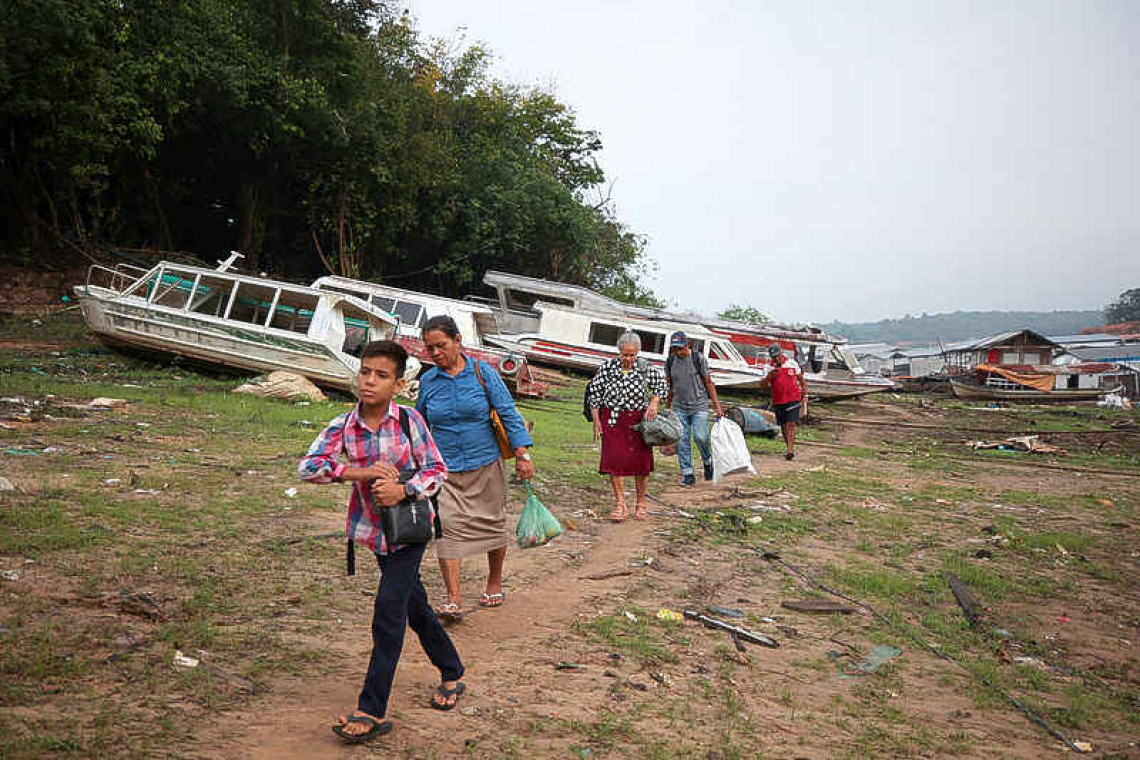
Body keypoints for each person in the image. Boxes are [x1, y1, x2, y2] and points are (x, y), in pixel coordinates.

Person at [298, 340, 465, 745]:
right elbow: (309, 467)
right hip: (374, 536)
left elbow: (437, 470)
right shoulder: (343, 426)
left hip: (408, 533)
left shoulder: (409, 422)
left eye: (381, 375)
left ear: (399, 383)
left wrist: (404, 490)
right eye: (365, 372)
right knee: (414, 608)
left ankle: (371, 708)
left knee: (389, 611)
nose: (370, 381)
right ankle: (452, 670)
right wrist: (358, 474)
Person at [415, 315, 534, 620]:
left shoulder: (482, 372)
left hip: (485, 463)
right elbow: (420, 425)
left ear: (458, 341)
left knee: (492, 523)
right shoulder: (428, 381)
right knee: (447, 527)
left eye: (441, 345)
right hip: (446, 469)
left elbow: (507, 412)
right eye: (430, 349)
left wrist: (522, 455)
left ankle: (494, 581)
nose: (436, 353)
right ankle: (453, 598)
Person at [586, 331, 669, 521]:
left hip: (639, 422)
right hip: (613, 419)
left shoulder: (644, 367)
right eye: (625, 354)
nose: (629, 358)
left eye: (632, 355)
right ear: (619, 352)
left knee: (641, 463)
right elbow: (595, 394)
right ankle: (620, 504)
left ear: (637, 353)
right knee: (614, 461)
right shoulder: (607, 367)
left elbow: (661, 387)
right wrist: (596, 420)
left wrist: (654, 402)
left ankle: (640, 504)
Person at [665, 331, 724, 486]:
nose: (678, 352)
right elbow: (670, 386)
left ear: (687, 345)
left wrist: (717, 407)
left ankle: (707, 460)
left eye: (680, 348)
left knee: (700, 436)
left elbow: (709, 382)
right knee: (682, 441)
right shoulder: (670, 361)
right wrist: (667, 408)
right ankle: (688, 474)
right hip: (679, 407)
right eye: (674, 349)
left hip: (699, 405)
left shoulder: (698, 359)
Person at [759, 343, 808, 460]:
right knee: (783, 425)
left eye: (777, 356)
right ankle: (788, 447)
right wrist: (770, 375)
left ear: (781, 354)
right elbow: (762, 386)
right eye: (773, 357)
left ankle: (790, 450)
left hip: (793, 398)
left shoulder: (792, 363)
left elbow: (801, 380)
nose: (776, 359)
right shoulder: (768, 367)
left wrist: (805, 394)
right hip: (778, 400)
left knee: (791, 423)